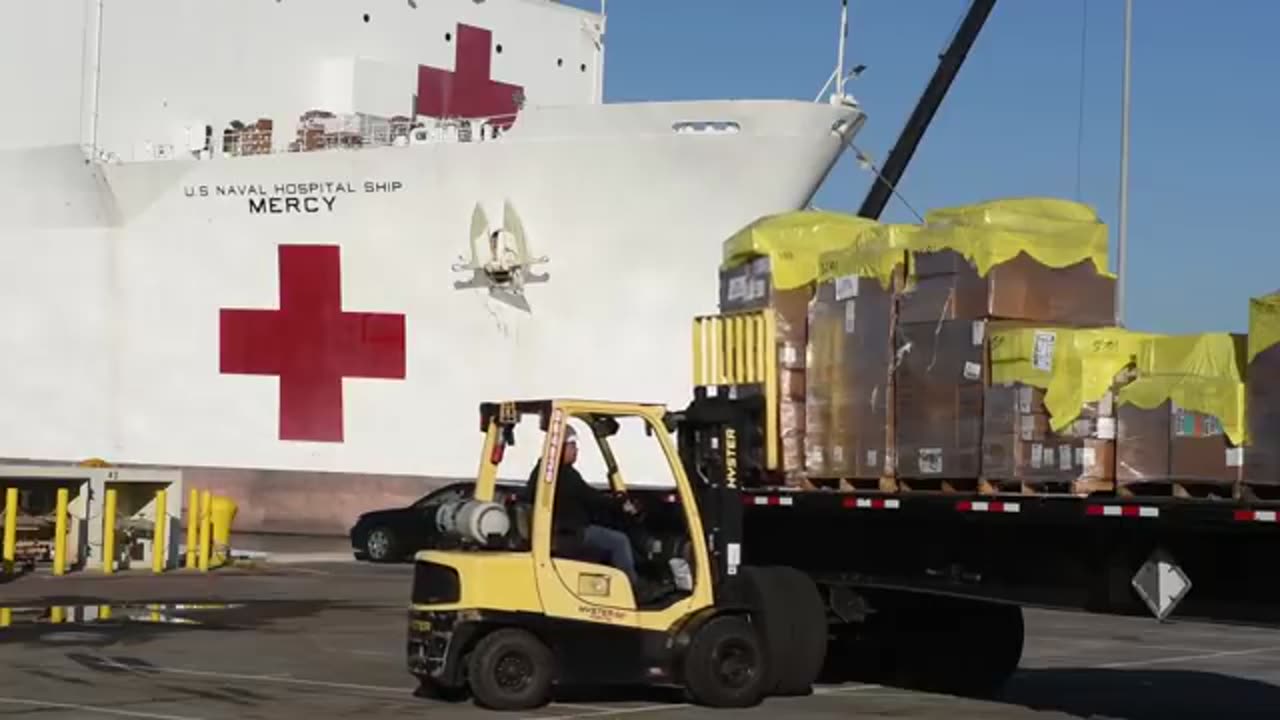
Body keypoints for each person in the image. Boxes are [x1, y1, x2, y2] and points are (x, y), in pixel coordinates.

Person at [527, 424, 640, 586]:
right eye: (572, 446)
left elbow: (585, 495)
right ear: (560, 448)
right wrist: (619, 503)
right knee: (619, 541)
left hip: (559, 531)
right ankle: (633, 588)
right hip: (571, 534)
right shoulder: (565, 475)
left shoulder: (543, 471)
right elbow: (592, 498)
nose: (576, 450)